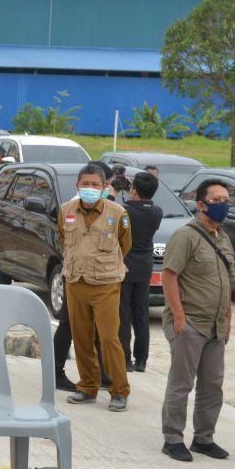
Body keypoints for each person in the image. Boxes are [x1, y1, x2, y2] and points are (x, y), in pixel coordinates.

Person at [159, 178, 234, 462]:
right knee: (181, 384)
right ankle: (172, 439)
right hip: (190, 323)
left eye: (226, 200)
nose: (222, 205)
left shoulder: (223, 237)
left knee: (212, 385)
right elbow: (169, 276)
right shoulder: (186, 236)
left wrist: (227, 318)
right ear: (201, 204)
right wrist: (179, 318)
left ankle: (204, 438)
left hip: (215, 326)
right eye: (216, 200)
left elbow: (226, 281)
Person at [60, 163, 132, 411]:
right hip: (75, 282)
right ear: (77, 185)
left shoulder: (118, 213)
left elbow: (125, 245)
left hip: (106, 284)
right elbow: (64, 239)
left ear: (104, 187)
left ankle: (119, 391)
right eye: (85, 184)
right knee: (81, 337)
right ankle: (88, 386)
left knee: (109, 339)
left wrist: (101, 264)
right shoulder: (66, 210)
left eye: (94, 184)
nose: (89, 188)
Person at [120, 171, 163, 372]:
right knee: (141, 314)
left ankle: (125, 359)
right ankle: (141, 360)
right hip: (145, 266)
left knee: (123, 314)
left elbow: (110, 209)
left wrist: (117, 189)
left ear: (134, 191)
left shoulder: (125, 211)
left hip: (125, 265)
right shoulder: (157, 212)